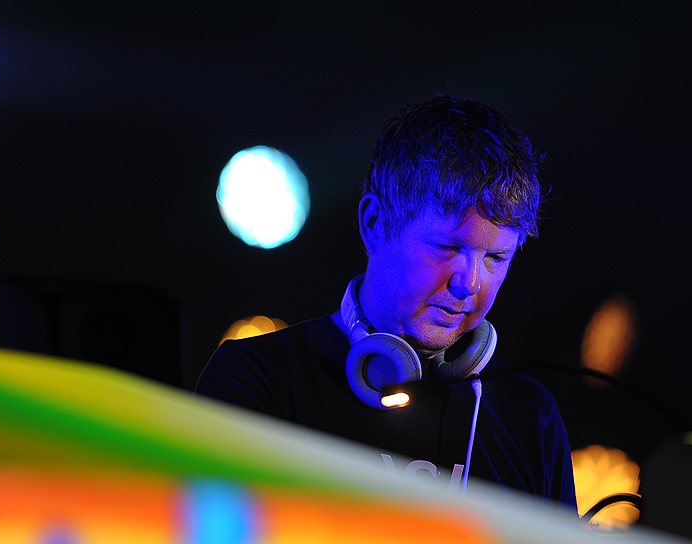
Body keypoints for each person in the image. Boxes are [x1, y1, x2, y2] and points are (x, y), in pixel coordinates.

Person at [195, 95, 577, 512]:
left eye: (495, 258)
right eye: (447, 247)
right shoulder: (257, 380)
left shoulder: (530, 417)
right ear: (375, 223)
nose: (469, 283)